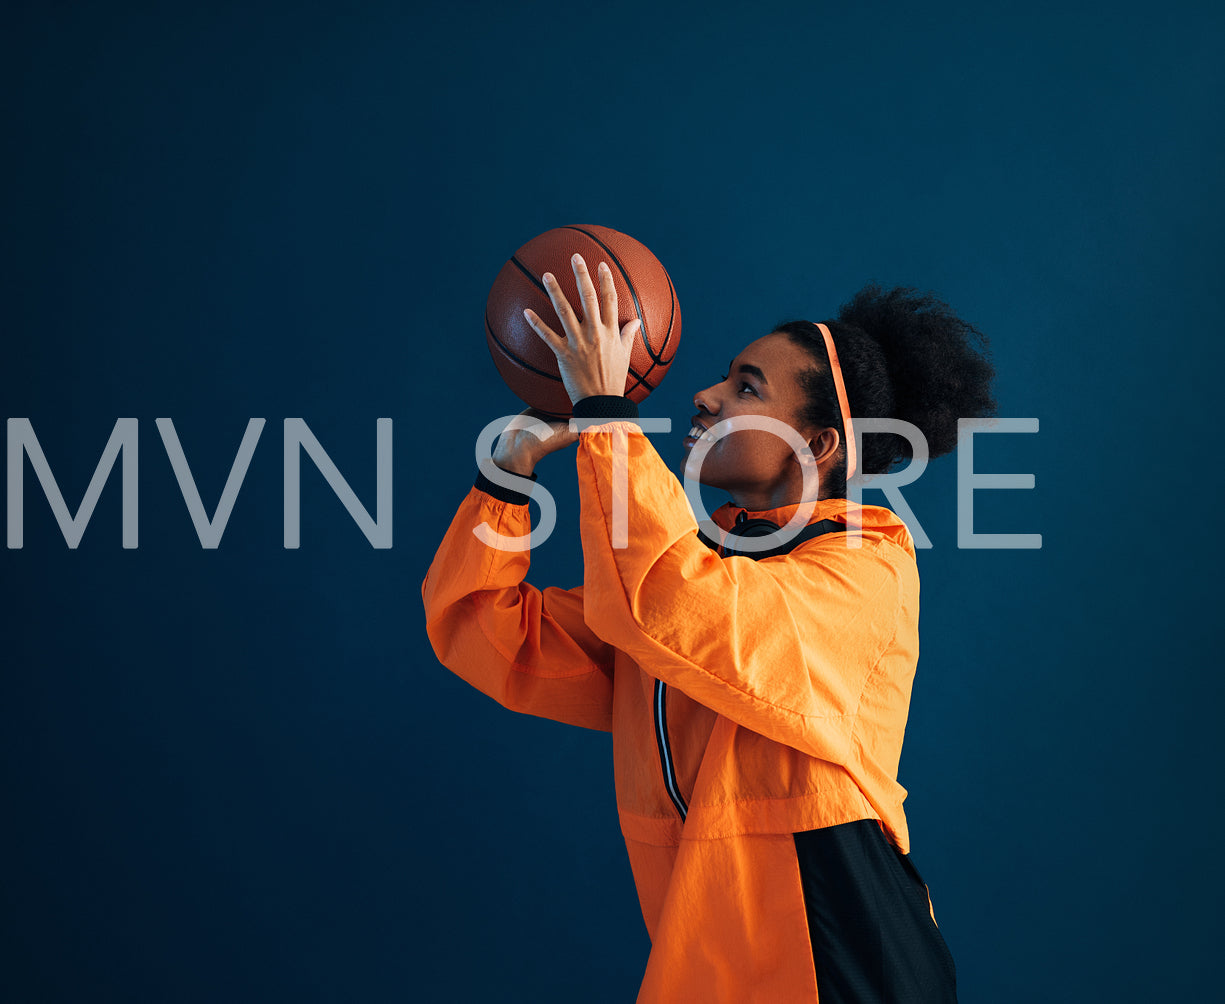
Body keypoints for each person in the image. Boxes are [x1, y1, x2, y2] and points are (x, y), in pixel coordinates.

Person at [421, 252, 996, 1002]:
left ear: (816, 446)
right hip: (706, 966)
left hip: (837, 955)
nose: (703, 394)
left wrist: (605, 414)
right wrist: (507, 474)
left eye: (745, 387)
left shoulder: (864, 567)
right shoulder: (695, 567)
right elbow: (485, 631)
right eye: (725, 376)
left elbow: (674, 603)